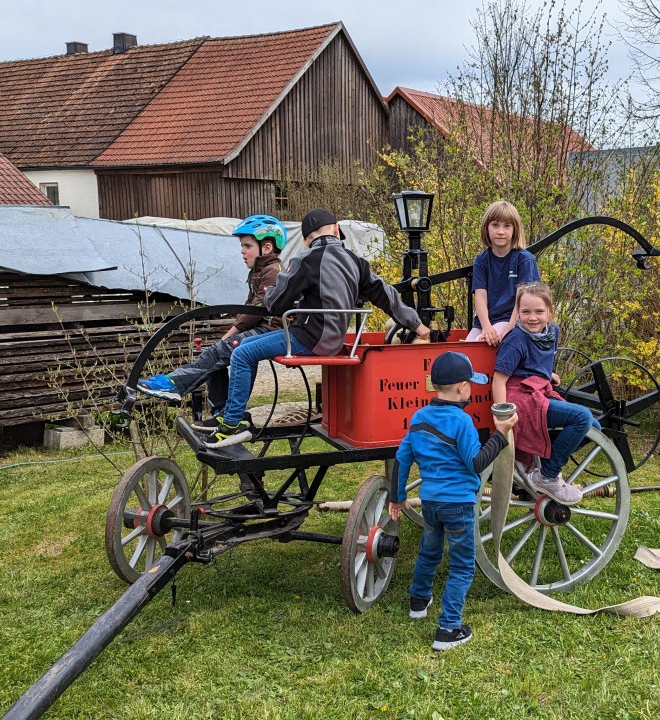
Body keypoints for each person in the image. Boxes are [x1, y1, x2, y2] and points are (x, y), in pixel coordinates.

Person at [209, 209, 430, 447]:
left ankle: (231, 423)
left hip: (310, 338)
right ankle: (233, 414)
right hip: (335, 339)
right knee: (245, 346)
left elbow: (275, 304)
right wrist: (416, 324)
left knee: (241, 353)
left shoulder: (305, 259)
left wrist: (270, 290)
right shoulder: (357, 263)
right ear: (336, 229)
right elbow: (387, 296)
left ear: (306, 240)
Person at [388, 351, 517, 651]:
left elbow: (402, 457)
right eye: (471, 384)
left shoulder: (419, 418)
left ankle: (418, 602)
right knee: (461, 567)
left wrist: (398, 496)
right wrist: (500, 435)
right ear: (461, 387)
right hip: (458, 505)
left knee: (429, 553)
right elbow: (475, 463)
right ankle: (448, 629)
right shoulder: (462, 422)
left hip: (430, 503)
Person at [137, 215, 287, 414]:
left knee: (219, 352)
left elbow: (255, 312)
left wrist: (230, 334)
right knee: (217, 356)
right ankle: (221, 411)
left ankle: (175, 384)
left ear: (267, 248)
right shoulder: (260, 272)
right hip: (261, 329)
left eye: (247, 246)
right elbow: (248, 308)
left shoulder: (273, 272)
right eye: (242, 246)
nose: (242, 251)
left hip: (269, 331)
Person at [491, 282, 599, 505]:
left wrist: (547, 373)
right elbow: (499, 381)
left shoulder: (552, 333)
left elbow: (533, 361)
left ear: (550, 311)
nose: (532, 318)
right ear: (517, 312)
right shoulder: (515, 339)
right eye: (525, 312)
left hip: (539, 389)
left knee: (594, 428)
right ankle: (547, 476)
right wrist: (503, 419)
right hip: (519, 397)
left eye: (539, 311)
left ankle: (539, 462)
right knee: (582, 417)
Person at [465, 200, 541, 346]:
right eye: (495, 225)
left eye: (507, 226)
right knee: (465, 354)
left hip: (511, 320)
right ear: (486, 228)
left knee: (483, 345)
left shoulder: (524, 259)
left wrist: (508, 330)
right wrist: (486, 327)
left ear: (514, 230)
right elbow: (480, 296)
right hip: (485, 322)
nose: (500, 231)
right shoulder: (482, 260)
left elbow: (523, 300)